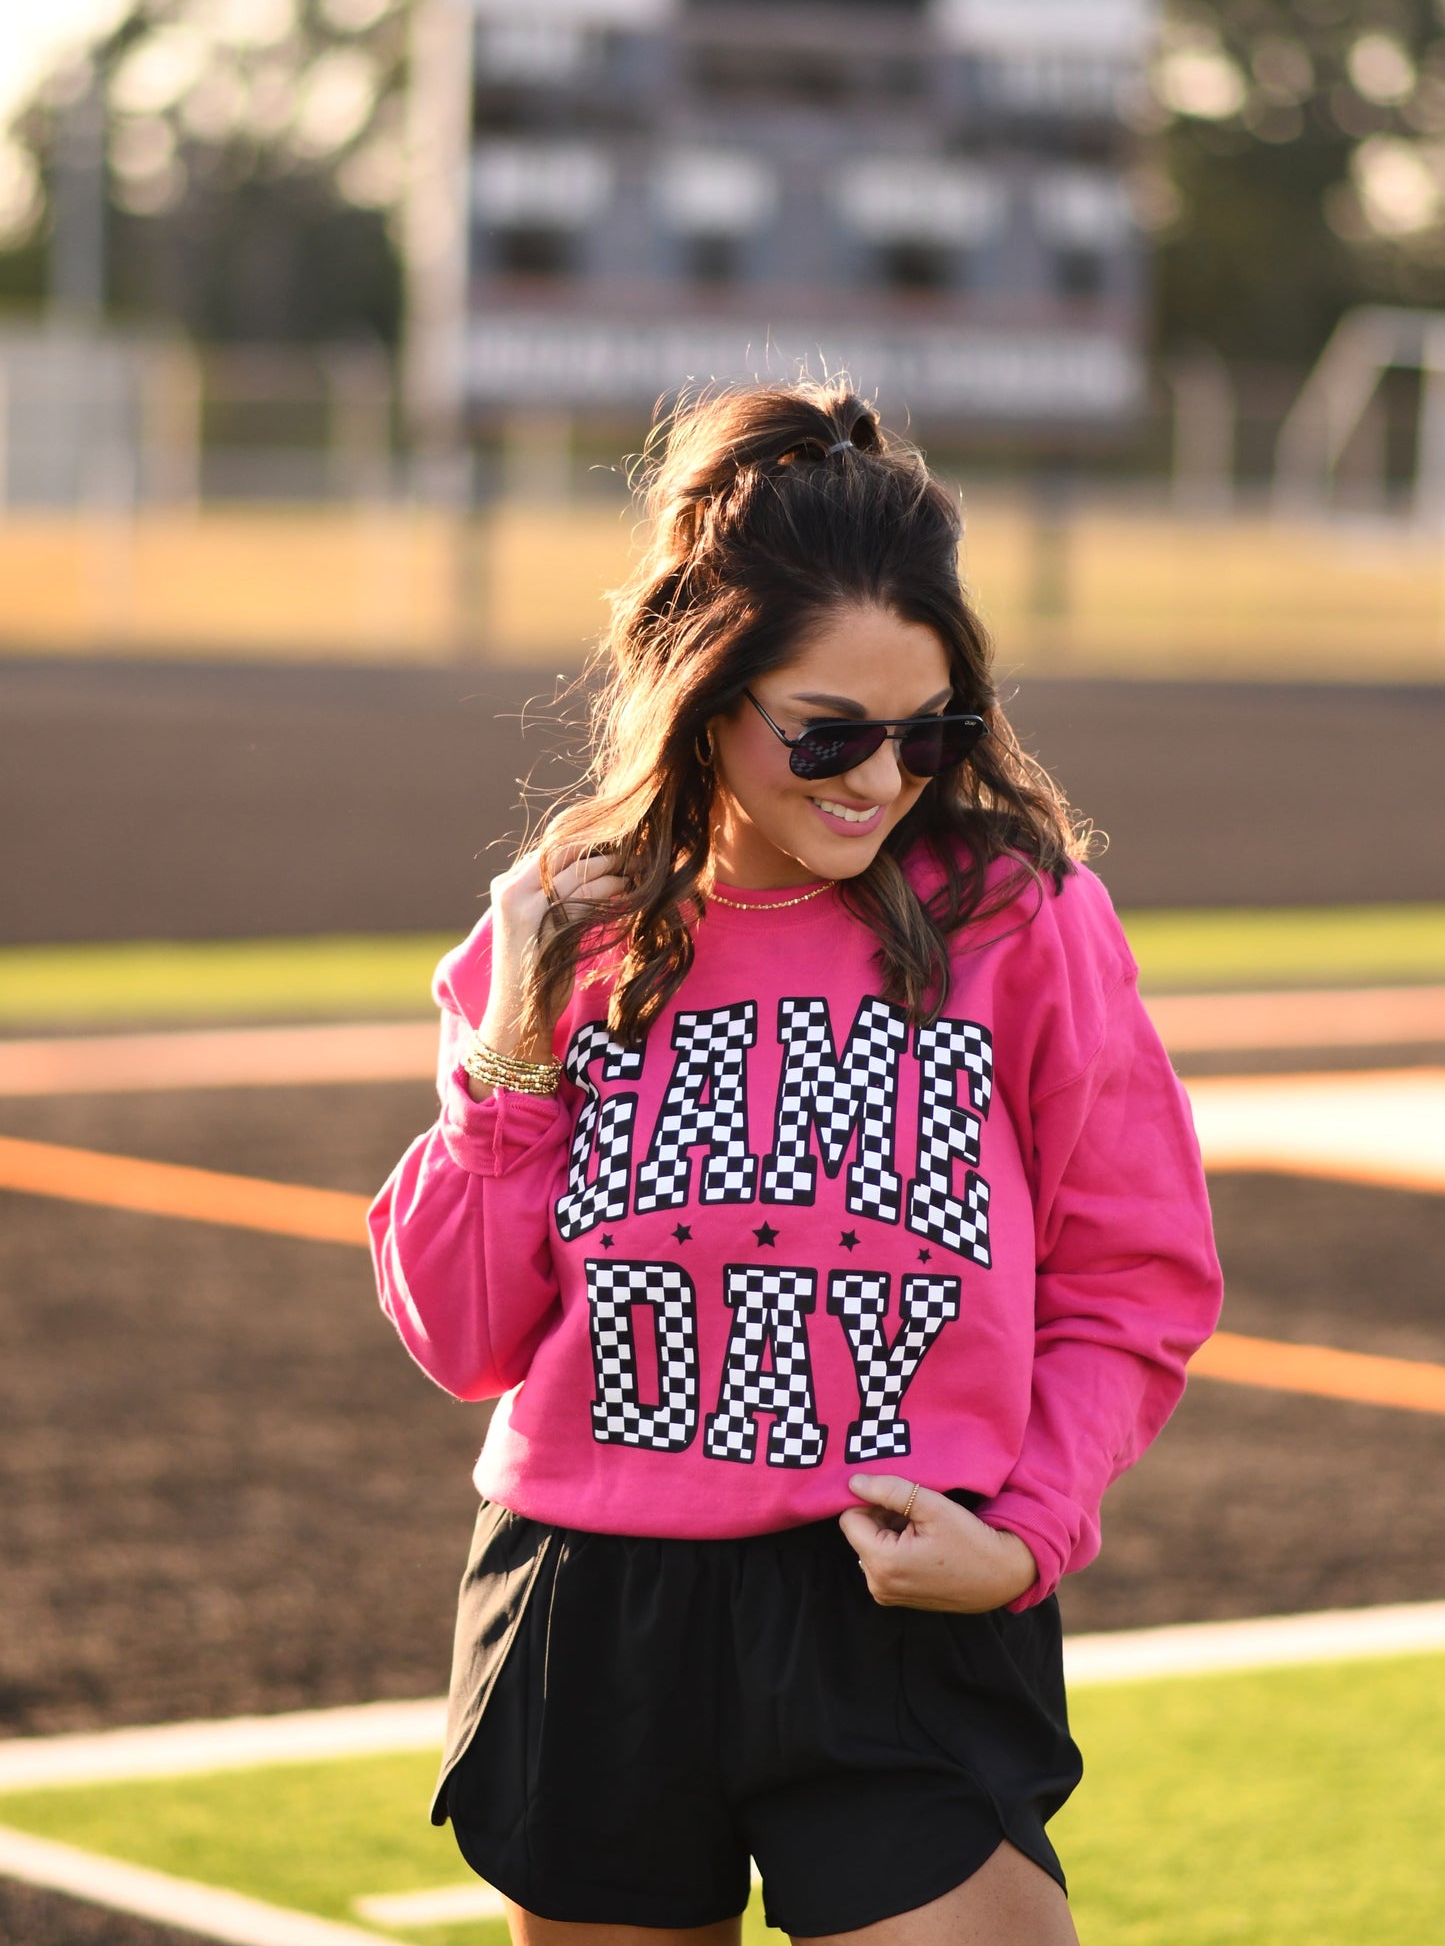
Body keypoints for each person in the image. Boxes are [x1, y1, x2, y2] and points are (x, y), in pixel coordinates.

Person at [367, 378, 1222, 1946]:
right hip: (597, 1613)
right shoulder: (568, 930)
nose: (879, 780)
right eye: (827, 733)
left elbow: (1135, 1271)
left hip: (898, 1597)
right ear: (703, 689)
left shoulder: (1015, 918)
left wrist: (1026, 1535)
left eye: (928, 731)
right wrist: (524, 1021)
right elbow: (461, 1334)